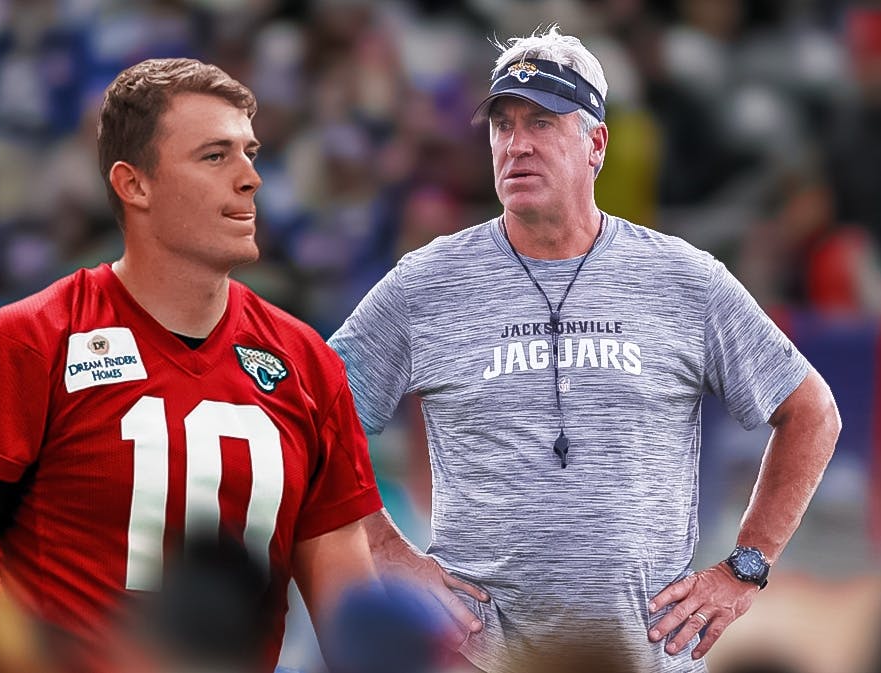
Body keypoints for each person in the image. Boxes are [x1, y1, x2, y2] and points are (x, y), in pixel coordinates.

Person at [328, 26, 841, 673]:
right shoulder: (426, 283)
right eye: (503, 125)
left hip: (649, 659)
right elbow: (314, 408)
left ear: (595, 141)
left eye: (542, 122)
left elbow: (811, 410)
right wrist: (385, 547)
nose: (516, 144)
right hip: (482, 659)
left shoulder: (684, 279)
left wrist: (747, 564)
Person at [0, 57, 383, 672]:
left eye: (251, 152)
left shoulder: (308, 364)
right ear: (135, 185)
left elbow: (354, 627)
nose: (250, 178)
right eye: (215, 156)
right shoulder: (22, 346)